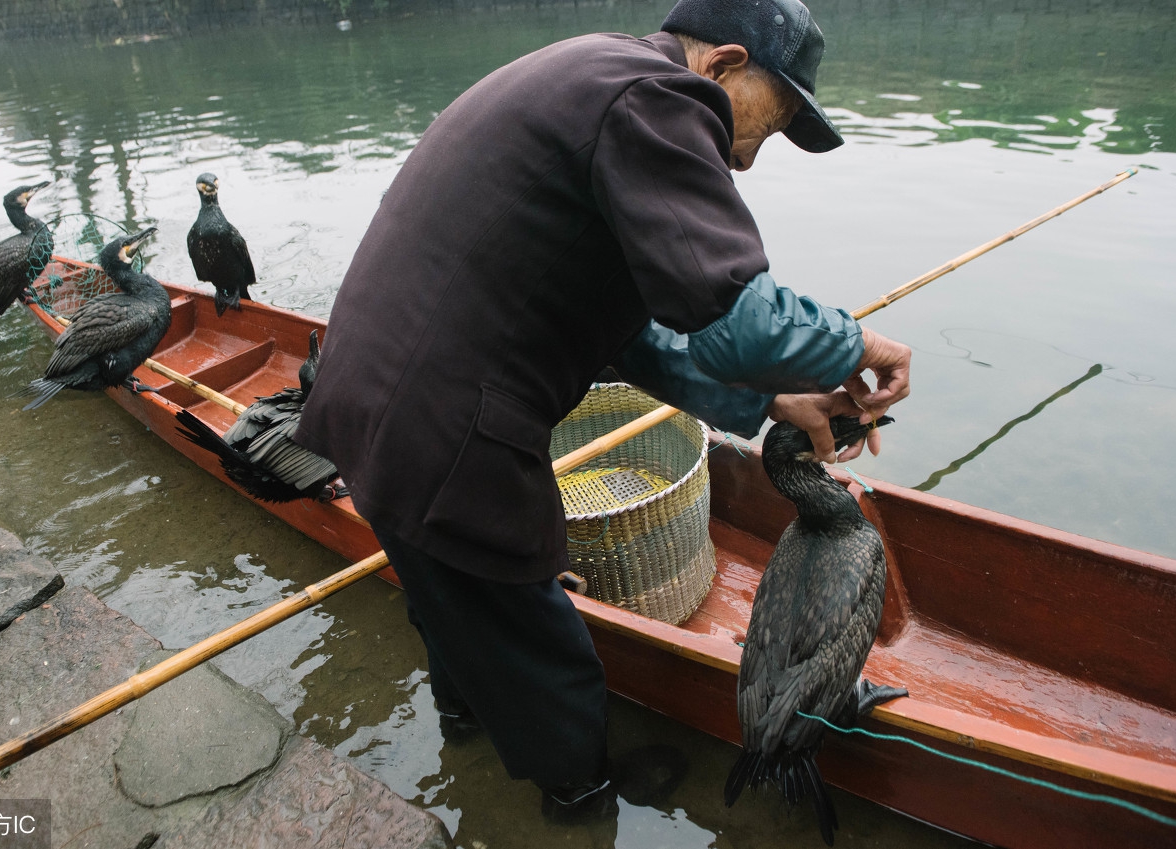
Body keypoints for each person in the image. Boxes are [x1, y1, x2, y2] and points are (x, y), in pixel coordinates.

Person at [295, 0, 911, 821]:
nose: (753, 162)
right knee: (547, 652)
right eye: (770, 126)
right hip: (443, 432)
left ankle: (465, 731)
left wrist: (771, 398)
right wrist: (859, 344)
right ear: (724, 65)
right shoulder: (659, 99)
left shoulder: (596, 72)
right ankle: (577, 802)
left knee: (453, 598)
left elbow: (638, 336)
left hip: (367, 399)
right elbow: (738, 317)